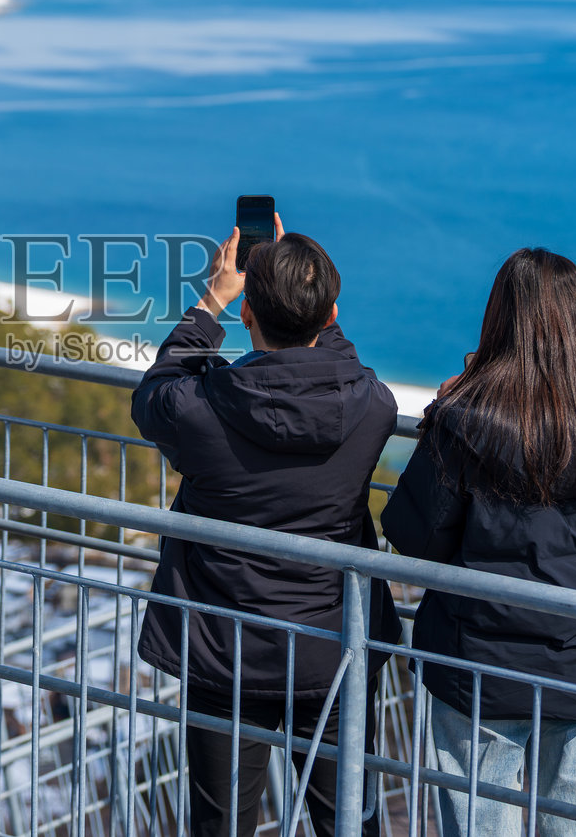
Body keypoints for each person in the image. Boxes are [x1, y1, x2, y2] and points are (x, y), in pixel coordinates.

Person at [132, 219, 401, 837]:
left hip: (224, 649)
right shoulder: (373, 409)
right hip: (333, 644)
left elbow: (156, 390)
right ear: (331, 313)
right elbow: (341, 365)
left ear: (248, 313)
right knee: (347, 820)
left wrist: (213, 301)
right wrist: (307, 299)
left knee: (222, 822)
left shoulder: (198, 410)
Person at [380, 247, 576, 837]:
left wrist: (441, 411)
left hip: (480, 664)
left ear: (499, 322)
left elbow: (411, 532)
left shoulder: (466, 417)